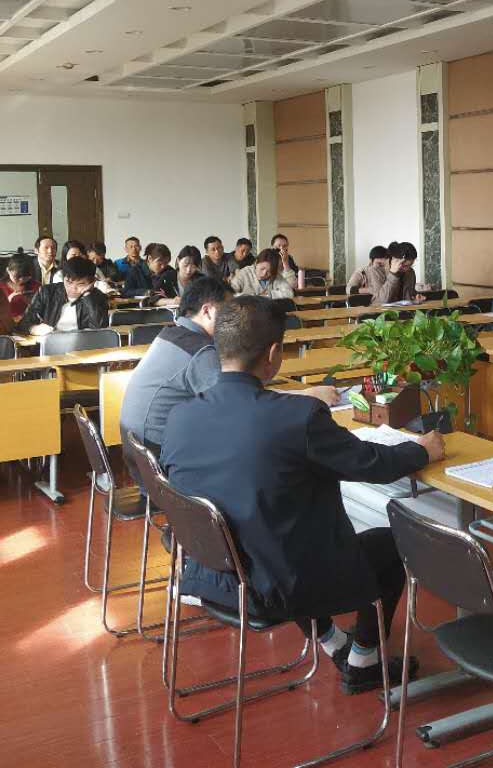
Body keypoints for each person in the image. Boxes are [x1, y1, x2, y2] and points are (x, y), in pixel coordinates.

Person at [161, 296, 443, 693]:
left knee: (272, 534)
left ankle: (333, 642)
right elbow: (371, 465)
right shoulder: (297, 417)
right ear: (274, 354)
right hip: (275, 584)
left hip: (211, 576)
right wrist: (422, 450)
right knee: (391, 543)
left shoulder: (179, 416)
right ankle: (364, 660)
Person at [120, 278, 337, 456]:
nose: (233, 320)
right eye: (227, 313)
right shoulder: (200, 351)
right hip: (161, 456)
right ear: (207, 311)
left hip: (140, 451)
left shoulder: (170, 334)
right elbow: (240, 403)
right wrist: (307, 396)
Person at [22, 256, 109, 335]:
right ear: (63, 278)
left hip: (83, 344)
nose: (73, 288)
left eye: (80, 284)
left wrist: (88, 295)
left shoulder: (98, 297)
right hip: (51, 342)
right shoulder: (47, 292)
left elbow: (101, 328)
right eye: (68, 282)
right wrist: (33, 329)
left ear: (92, 282)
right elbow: (24, 323)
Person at [230, 247, 295, 300]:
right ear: (256, 263)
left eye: (269, 271)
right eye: (262, 269)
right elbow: (230, 293)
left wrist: (268, 295)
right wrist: (253, 297)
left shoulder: (275, 276)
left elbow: (289, 293)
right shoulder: (245, 273)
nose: (264, 274)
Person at [3, 255, 39, 323]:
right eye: (17, 277)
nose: (21, 280)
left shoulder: (36, 286)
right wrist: (8, 300)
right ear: (8, 270)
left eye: (26, 277)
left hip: (30, 322)